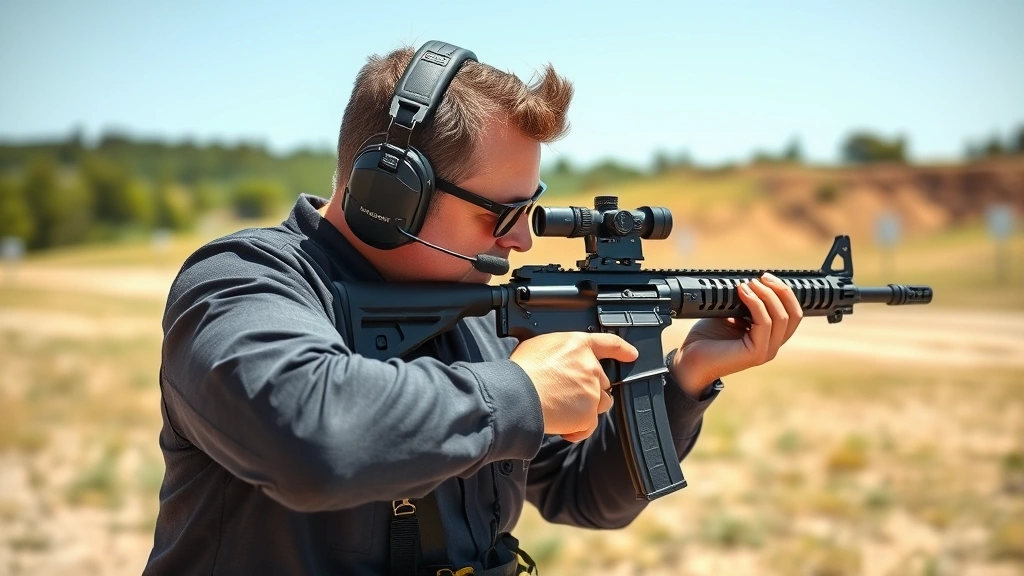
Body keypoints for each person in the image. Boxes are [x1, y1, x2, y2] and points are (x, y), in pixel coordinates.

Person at [144, 41, 804, 576]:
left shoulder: (479, 310)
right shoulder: (245, 282)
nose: (520, 239)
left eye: (530, 206)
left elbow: (583, 494)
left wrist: (684, 380)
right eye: (502, 213)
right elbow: (312, 439)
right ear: (387, 196)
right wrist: (521, 391)